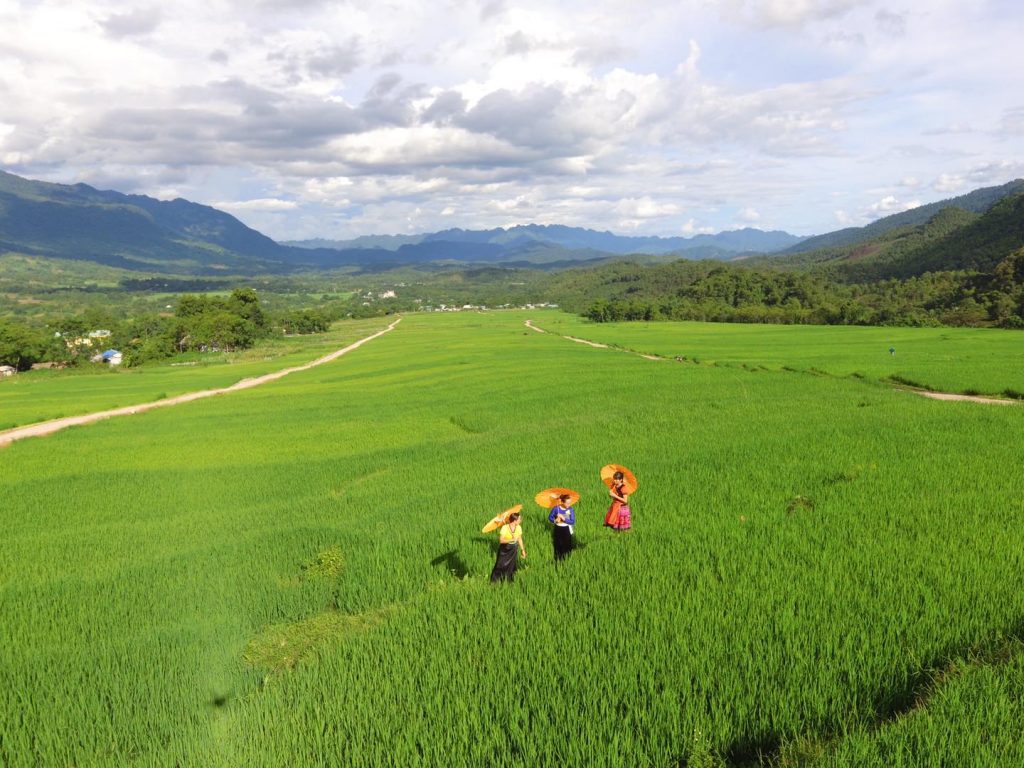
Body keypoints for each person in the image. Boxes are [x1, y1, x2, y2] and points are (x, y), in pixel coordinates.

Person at [490, 511, 527, 582]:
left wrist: (523, 550)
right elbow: (501, 540)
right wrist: (511, 539)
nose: (520, 520)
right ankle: (494, 581)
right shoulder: (505, 528)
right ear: (514, 521)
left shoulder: (519, 527)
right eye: (519, 519)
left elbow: (519, 539)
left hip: (513, 549)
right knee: (500, 565)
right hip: (505, 549)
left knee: (511, 565)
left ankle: (509, 581)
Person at [548, 494, 575, 561]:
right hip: (558, 529)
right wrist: (555, 520)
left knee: (567, 545)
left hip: (566, 529)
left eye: (570, 502)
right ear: (562, 502)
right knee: (558, 544)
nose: (569, 504)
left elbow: (572, 521)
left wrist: (564, 519)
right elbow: (550, 517)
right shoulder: (556, 509)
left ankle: (567, 560)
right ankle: (558, 559)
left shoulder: (570, 509)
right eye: (567, 503)